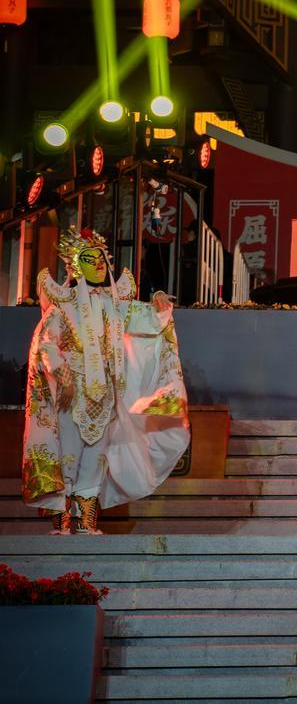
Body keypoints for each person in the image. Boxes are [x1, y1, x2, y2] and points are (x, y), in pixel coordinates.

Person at [22, 229, 191, 534]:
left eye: (102, 259)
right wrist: (62, 375)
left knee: (96, 457)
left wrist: (157, 302)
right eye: (90, 259)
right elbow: (47, 344)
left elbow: (150, 319)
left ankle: (86, 521)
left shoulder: (115, 306)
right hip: (71, 393)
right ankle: (64, 519)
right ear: (75, 266)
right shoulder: (63, 307)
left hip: (105, 395)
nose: (99, 265)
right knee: (67, 454)